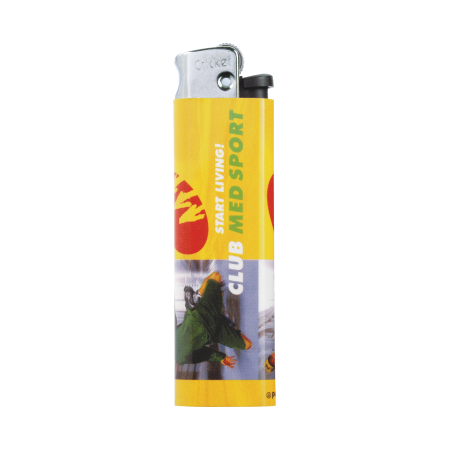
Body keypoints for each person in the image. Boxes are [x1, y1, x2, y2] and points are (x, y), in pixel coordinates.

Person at [176, 272, 252, 368]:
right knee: (247, 344)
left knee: (216, 276)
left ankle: (197, 296)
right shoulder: (180, 359)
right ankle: (220, 318)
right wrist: (221, 358)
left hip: (201, 314)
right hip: (215, 333)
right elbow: (204, 355)